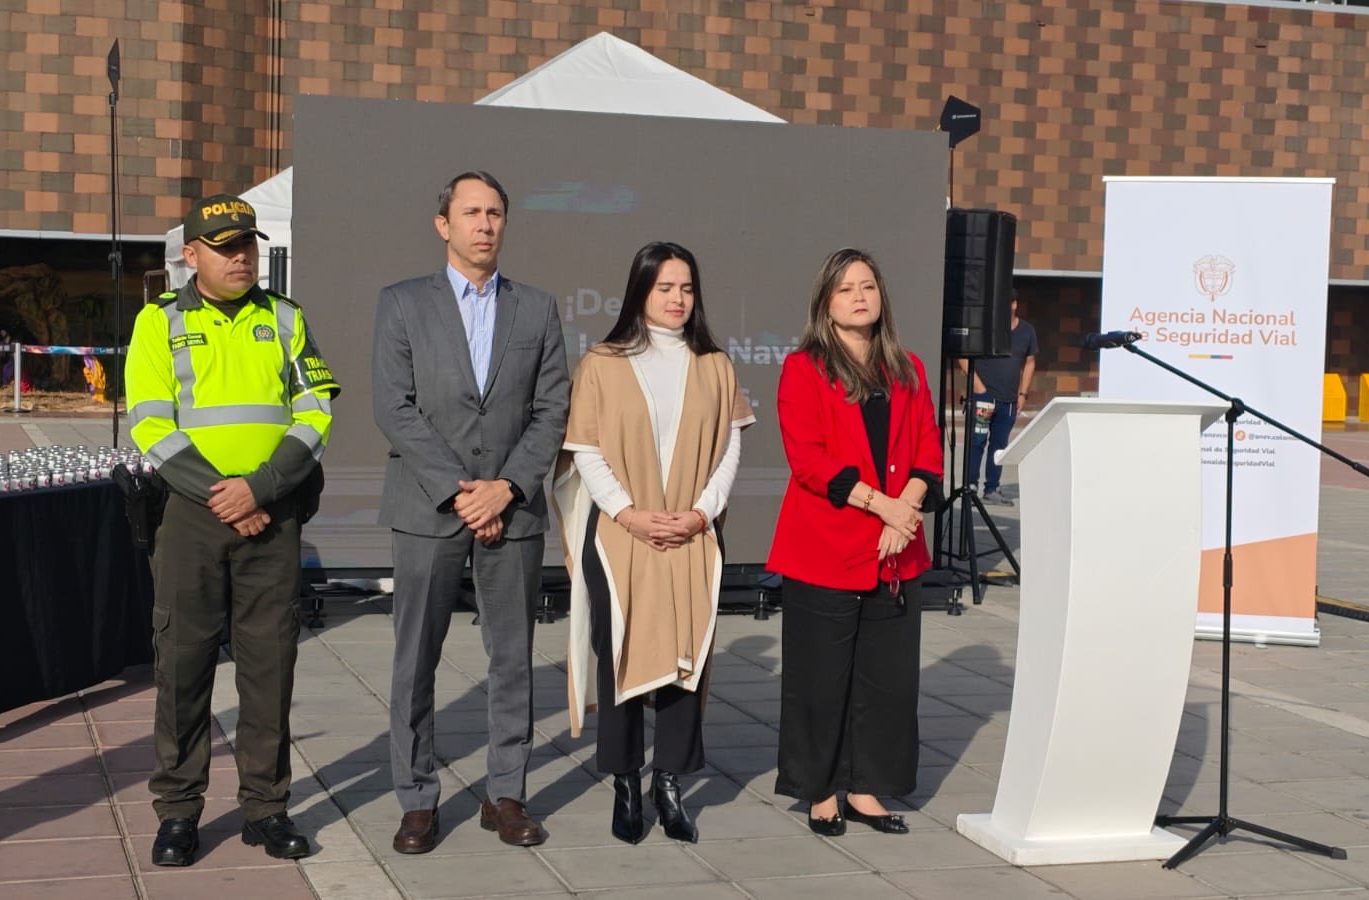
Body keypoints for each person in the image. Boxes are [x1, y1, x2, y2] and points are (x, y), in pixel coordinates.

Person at [127, 194, 339, 866]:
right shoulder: (159, 322)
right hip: (193, 516)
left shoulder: (285, 317)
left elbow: (316, 408)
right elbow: (150, 424)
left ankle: (266, 809)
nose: (241, 257)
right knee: (183, 667)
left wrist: (262, 488)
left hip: (272, 513)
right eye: (225, 247)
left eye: (247, 244)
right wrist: (227, 496)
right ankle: (178, 812)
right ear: (192, 256)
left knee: (269, 668)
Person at [372, 171, 570, 854]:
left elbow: (552, 408)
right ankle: (417, 800)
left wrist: (505, 487)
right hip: (427, 507)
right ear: (444, 225)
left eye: (495, 213)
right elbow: (393, 406)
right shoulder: (402, 303)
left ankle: (505, 795)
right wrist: (462, 491)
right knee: (415, 660)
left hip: (512, 512)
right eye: (471, 212)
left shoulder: (536, 308)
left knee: (512, 659)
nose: (484, 225)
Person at [555, 241, 754, 845]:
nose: (677, 298)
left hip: (693, 534)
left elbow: (729, 449)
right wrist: (629, 514)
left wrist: (699, 514)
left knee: (686, 659)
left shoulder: (715, 365)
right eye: (665, 287)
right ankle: (624, 782)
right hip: (621, 536)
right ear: (640, 290)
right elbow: (586, 450)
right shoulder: (602, 363)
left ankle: (669, 783)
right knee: (622, 657)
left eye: (686, 288)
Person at [766, 248, 944, 837]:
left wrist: (905, 509)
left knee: (886, 680)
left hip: (897, 550)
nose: (859, 297)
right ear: (826, 304)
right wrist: (883, 506)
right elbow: (809, 461)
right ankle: (819, 790)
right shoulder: (803, 368)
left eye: (868, 286)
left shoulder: (908, 368)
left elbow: (928, 447)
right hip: (825, 547)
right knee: (819, 679)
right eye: (845, 289)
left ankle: (867, 787)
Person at [960, 292, 1037, 506]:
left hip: (1009, 400)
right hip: (983, 398)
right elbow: (963, 356)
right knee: (977, 441)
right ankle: (970, 486)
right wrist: (979, 388)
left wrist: (1023, 394)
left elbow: (1030, 362)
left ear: (1014, 304)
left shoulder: (1027, 331)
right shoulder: (984, 328)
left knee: (1000, 446)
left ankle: (992, 488)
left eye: (1007, 302)